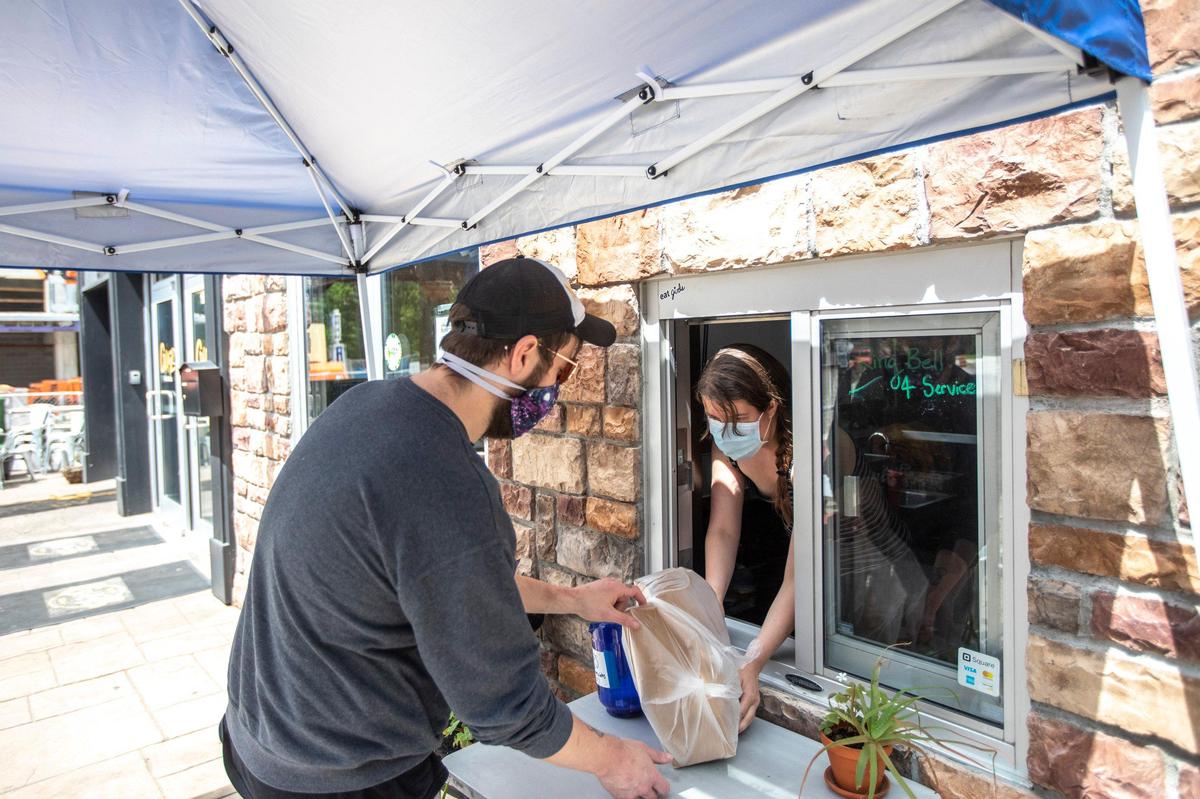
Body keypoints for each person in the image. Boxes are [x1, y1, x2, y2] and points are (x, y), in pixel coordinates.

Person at [221, 257, 672, 799]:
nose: (557, 391)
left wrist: (572, 599)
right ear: (525, 352)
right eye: (564, 370)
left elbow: (440, 581)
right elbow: (504, 704)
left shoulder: (366, 405)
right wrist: (612, 759)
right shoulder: (444, 477)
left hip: (261, 738)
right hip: (341, 774)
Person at [694, 344, 795, 734]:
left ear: (770, 408)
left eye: (736, 419)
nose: (723, 430)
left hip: (862, 564)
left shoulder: (812, 451)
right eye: (713, 417)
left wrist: (752, 662)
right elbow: (723, 529)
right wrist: (710, 605)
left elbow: (798, 574)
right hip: (805, 566)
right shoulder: (729, 443)